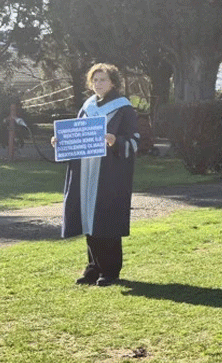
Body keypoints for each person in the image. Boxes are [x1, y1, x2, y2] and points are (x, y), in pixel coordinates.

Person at [56, 63, 139, 286]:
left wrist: (116, 141)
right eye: (95, 80)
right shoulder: (87, 107)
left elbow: (138, 141)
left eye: (103, 80)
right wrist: (61, 141)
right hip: (85, 173)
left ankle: (110, 270)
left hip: (110, 174)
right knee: (89, 220)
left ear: (113, 82)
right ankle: (93, 268)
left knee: (106, 219)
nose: (98, 84)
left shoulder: (123, 108)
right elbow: (77, 135)